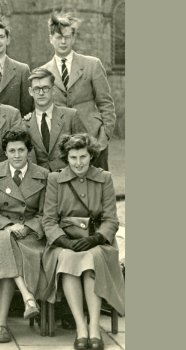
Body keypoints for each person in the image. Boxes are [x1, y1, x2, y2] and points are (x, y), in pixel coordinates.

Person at [41, 133, 124, 350]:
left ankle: (94, 327)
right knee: (68, 261)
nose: (78, 163)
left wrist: (96, 238)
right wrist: (64, 242)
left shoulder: (104, 178)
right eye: (73, 157)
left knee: (91, 262)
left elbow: (111, 219)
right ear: (66, 158)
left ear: (91, 156)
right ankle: (81, 328)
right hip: (64, 243)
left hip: (97, 243)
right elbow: (48, 220)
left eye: (83, 157)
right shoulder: (54, 179)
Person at [0, 128, 51, 343]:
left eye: (21, 150)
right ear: (5, 153)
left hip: (29, 237)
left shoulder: (43, 175)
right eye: (12, 150)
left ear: (29, 151)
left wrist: (27, 227)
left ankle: (1, 325)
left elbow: (46, 214)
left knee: (7, 250)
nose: (16, 155)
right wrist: (8, 225)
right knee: (5, 241)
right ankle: (28, 298)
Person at [41, 12, 117, 171]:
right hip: (61, 148)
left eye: (67, 37)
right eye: (58, 37)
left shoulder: (92, 65)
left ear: (73, 38)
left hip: (93, 142)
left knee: (97, 192)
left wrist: (102, 140)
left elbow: (106, 104)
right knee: (66, 194)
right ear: (50, 39)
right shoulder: (43, 72)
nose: (63, 41)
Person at [23, 68, 86, 171]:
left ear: (53, 90)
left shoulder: (71, 116)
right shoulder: (25, 123)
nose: (41, 93)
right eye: (37, 89)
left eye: (45, 88)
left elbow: (84, 149)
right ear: (31, 92)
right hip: (40, 181)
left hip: (68, 178)